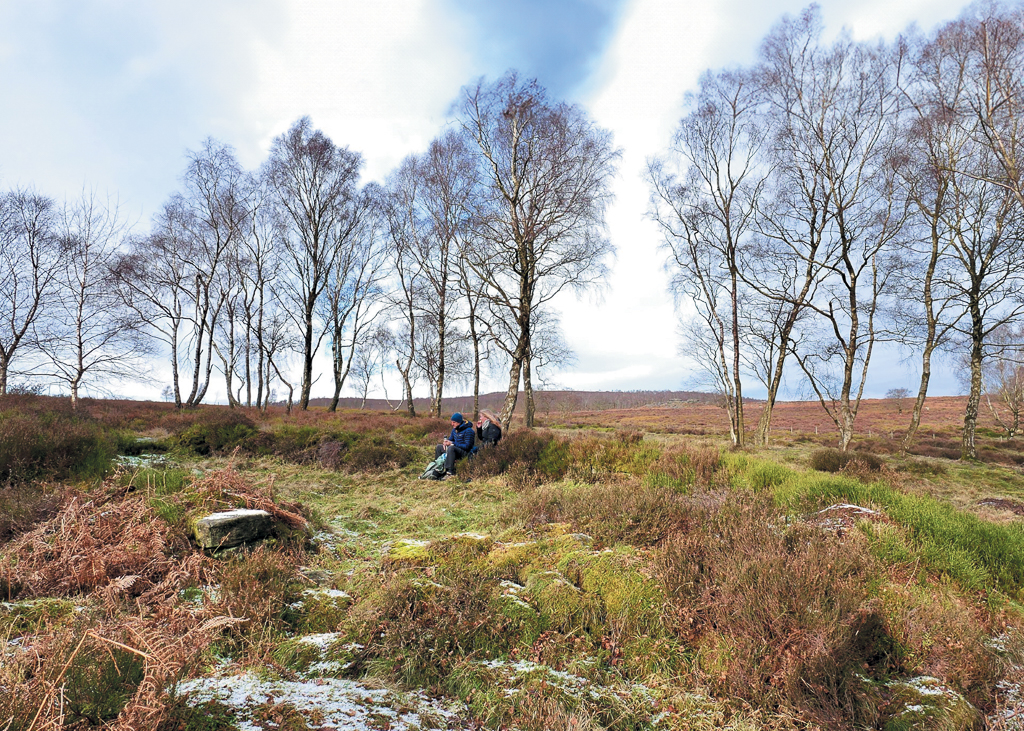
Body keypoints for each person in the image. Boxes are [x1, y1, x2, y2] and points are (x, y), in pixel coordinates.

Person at [435, 412, 475, 477]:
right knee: (439, 447)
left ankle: (450, 471)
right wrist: (446, 443)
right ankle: (438, 467)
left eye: (454, 422)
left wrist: (452, 443)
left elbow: (468, 446)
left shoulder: (469, 431)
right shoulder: (454, 430)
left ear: (459, 422)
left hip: (465, 453)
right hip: (454, 450)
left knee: (451, 448)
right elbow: (451, 439)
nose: (452, 424)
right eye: (451, 422)